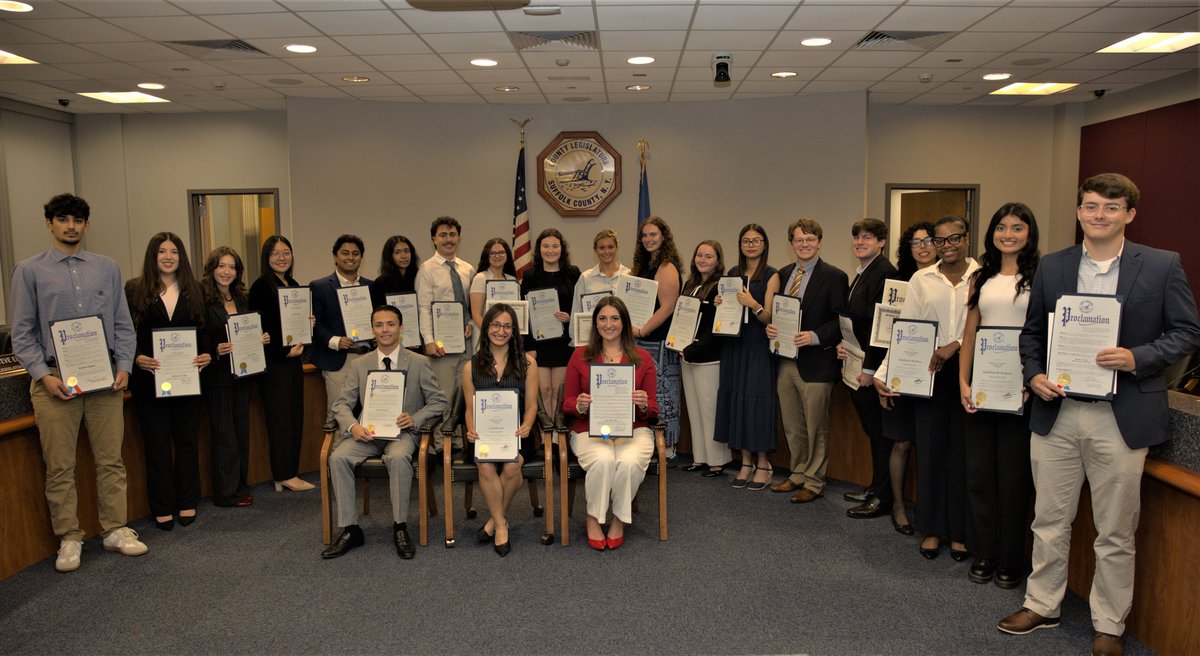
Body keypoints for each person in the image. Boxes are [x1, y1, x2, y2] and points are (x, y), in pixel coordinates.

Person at [997, 174, 1200, 656]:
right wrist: (1033, 375)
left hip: (1121, 415)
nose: (1099, 215)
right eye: (1091, 206)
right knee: (1048, 519)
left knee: (1114, 530)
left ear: (1129, 214)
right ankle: (1042, 603)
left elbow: (1188, 333)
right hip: (1058, 411)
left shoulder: (1160, 265)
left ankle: (1109, 623)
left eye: (1111, 208)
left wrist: (1138, 357)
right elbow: (1031, 336)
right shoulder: (1053, 266)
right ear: (1079, 212)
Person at [9, 193, 148, 572]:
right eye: (63, 219)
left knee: (111, 460)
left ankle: (115, 529)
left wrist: (124, 366)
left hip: (104, 381)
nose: (71, 226)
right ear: (49, 223)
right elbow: (21, 334)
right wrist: (42, 376)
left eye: (78, 220)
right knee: (59, 466)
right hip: (54, 383)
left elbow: (122, 324)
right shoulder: (29, 270)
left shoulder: (106, 268)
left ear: (87, 225)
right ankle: (69, 537)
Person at [875, 216, 979, 560]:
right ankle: (932, 528)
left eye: (955, 238)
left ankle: (960, 532)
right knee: (931, 452)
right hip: (928, 373)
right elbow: (906, 330)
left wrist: (956, 345)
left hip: (968, 374)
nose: (947, 245)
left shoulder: (982, 277)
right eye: (940, 240)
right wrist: (886, 374)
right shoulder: (922, 279)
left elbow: (988, 325)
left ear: (966, 239)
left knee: (963, 454)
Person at [321, 304, 449, 560]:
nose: (385, 330)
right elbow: (341, 404)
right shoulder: (360, 364)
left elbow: (439, 401)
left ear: (401, 328)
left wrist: (415, 418)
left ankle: (400, 527)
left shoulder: (419, 362)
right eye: (379, 325)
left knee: (399, 458)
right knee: (337, 457)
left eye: (390, 324)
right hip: (367, 434)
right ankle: (351, 529)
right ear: (372, 329)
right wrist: (352, 426)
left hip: (403, 434)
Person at [957, 203, 1040, 588]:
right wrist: (963, 381)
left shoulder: (1040, 276)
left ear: (1029, 233)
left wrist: (1032, 379)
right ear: (992, 232)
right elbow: (970, 333)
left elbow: (1043, 335)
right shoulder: (981, 277)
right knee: (978, 475)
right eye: (1002, 227)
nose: (1008, 234)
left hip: (1020, 392)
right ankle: (984, 553)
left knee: (1013, 478)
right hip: (983, 386)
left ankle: (1009, 559)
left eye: (1017, 228)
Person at [126, 232, 213, 531]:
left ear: (181, 257)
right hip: (149, 381)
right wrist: (136, 358)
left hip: (187, 379)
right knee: (157, 445)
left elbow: (204, 331)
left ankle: (188, 501)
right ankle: (162, 506)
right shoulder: (135, 289)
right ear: (153, 256)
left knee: (187, 443)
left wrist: (206, 354)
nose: (168, 256)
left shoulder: (195, 289)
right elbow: (126, 332)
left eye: (173, 251)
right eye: (161, 251)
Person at [563, 297, 658, 550]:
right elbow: (567, 403)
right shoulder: (580, 356)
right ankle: (593, 517)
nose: (609, 324)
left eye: (615, 318)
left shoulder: (642, 358)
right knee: (604, 460)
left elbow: (654, 410)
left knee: (628, 462)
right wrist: (580, 404)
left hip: (634, 429)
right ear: (595, 324)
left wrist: (644, 404)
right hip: (590, 429)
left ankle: (618, 519)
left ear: (624, 323)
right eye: (603, 318)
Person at [766, 218, 849, 503]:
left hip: (817, 362)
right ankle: (798, 473)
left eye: (810, 240)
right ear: (791, 244)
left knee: (816, 427)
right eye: (799, 240)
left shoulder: (835, 276)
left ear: (819, 242)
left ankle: (814, 481)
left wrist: (815, 336)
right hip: (786, 359)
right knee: (792, 423)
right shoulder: (784, 273)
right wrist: (772, 327)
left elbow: (841, 321)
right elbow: (778, 311)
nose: (804, 245)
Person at [869, 221, 937, 534]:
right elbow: (885, 334)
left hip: (936, 373)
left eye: (928, 241)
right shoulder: (896, 281)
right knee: (901, 443)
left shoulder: (954, 281)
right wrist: (883, 372)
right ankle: (898, 507)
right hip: (900, 369)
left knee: (932, 445)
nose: (922, 247)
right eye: (915, 242)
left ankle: (933, 511)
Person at [462, 303, 540, 557]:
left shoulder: (528, 363)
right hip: (483, 434)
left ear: (514, 330)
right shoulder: (470, 366)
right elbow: (470, 408)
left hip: (518, 433)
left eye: (507, 326)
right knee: (484, 464)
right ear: (486, 329)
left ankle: (492, 522)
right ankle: (501, 524)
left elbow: (531, 405)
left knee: (512, 465)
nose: (501, 331)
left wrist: (527, 423)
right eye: (496, 325)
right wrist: (471, 429)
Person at [835, 218, 899, 520]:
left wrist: (871, 370)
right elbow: (855, 322)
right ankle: (876, 487)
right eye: (857, 238)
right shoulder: (863, 273)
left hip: (869, 370)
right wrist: (844, 346)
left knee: (880, 435)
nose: (860, 242)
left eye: (868, 238)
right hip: (856, 360)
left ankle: (883, 498)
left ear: (882, 242)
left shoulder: (885, 273)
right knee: (873, 434)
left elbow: (881, 327)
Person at [200, 246, 268, 508]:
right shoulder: (203, 300)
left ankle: (240, 485)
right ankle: (226, 493)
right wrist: (214, 350)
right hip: (217, 377)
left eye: (232, 267)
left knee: (241, 432)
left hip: (243, 374)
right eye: (221, 266)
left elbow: (248, 330)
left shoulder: (242, 299)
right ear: (212, 269)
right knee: (224, 435)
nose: (227, 272)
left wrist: (260, 338)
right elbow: (199, 337)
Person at [714, 224, 780, 491]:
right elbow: (726, 312)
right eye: (746, 240)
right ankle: (745, 461)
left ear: (764, 244)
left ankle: (763, 462)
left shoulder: (772, 275)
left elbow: (769, 317)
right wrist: (722, 304)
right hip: (734, 345)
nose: (751, 244)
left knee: (757, 401)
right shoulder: (732, 274)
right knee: (737, 398)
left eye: (756, 240)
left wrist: (752, 303)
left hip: (758, 345)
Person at [248, 235, 315, 493]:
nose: (281, 257)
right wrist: (282, 351)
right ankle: (284, 474)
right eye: (275, 253)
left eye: (286, 252)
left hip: (293, 361)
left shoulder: (294, 284)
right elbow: (260, 329)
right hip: (274, 363)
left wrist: (307, 328)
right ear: (266, 257)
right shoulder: (261, 287)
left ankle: (288, 471)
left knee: (293, 415)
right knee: (280, 419)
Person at [416, 217, 475, 432]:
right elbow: (423, 308)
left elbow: (472, 304)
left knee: (465, 392)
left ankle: (460, 440)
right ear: (434, 239)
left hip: (466, 342)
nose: (448, 240)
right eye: (443, 235)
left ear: (459, 237)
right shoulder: (427, 269)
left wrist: (469, 321)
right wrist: (429, 341)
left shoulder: (467, 269)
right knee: (444, 394)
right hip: (441, 346)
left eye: (452, 235)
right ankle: (441, 443)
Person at [631, 217, 683, 460]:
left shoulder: (667, 267)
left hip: (659, 342)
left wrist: (641, 331)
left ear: (664, 237)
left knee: (663, 394)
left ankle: (667, 448)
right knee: (647, 393)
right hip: (641, 341)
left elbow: (667, 307)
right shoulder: (644, 266)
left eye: (653, 234)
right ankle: (649, 445)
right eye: (645, 235)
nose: (648, 239)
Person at [310, 234, 374, 430]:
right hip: (338, 361)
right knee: (338, 415)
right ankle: (334, 460)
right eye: (345, 253)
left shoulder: (371, 287)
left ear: (361, 258)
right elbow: (314, 324)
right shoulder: (319, 287)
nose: (350, 257)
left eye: (355, 253)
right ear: (335, 256)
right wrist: (335, 340)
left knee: (368, 413)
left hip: (367, 357)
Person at [679, 240, 730, 477]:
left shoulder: (721, 287)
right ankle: (700, 458)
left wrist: (695, 348)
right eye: (699, 255)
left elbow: (716, 327)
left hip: (708, 358)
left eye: (709, 256)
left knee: (709, 410)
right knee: (695, 410)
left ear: (718, 261)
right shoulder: (690, 284)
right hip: (686, 355)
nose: (703, 260)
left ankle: (717, 461)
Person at [519, 228, 581, 414]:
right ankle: (546, 434)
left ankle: (557, 436)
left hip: (564, 342)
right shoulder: (530, 276)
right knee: (543, 389)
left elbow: (580, 306)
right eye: (546, 246)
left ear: (562, 249)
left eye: (555, 246)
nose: (551, 250)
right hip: (539, 343)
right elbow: (525, 313)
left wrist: (570, 317)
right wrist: (529, 346)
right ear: (539, 249)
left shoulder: (573, 273)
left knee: (559, 390)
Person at [569, 229, 630, 344]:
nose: (606, 251)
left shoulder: (629, 276)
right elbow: (577, 312)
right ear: (595, 250)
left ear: (616, 248)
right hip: (594, 341)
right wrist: (577, 340)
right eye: (602, 248)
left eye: (610, 247)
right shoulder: (585, 278)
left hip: (623, 340)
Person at [469, 237, 518, 333]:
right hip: (486, 335)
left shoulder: (512, 280)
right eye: (492, 253)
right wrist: (492, 333)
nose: (497, 256)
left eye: (501, 252)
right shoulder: (480, 278)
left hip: (507, 336)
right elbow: (476, 315)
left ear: (507, 254)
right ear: (487, 256)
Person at [370, 234, 420, 308]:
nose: (403, 256)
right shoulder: (381, 283)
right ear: (390, 256)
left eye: (407, 251)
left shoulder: (418, 277)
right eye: (397, 252)